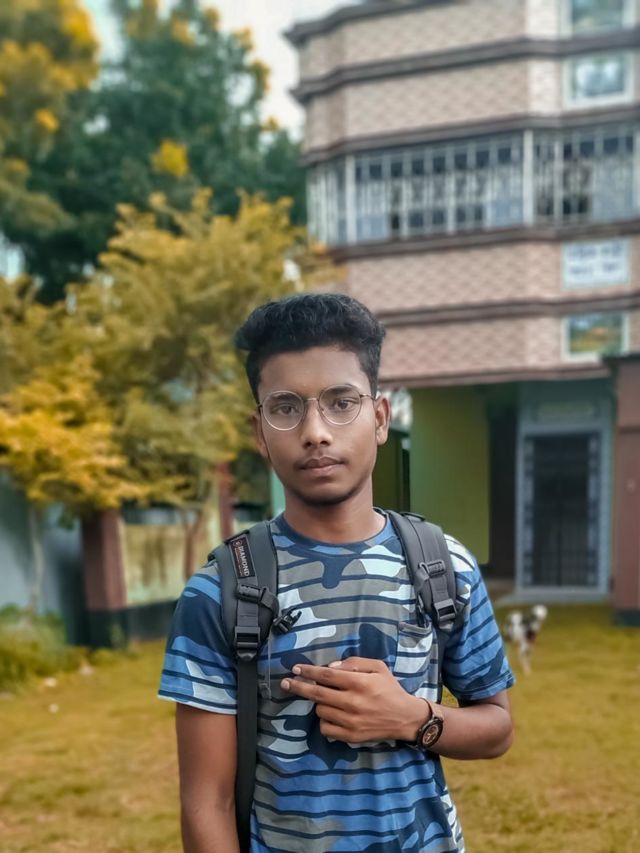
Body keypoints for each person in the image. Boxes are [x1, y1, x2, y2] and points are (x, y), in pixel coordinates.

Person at [158, 292, 515, 853]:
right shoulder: (221, 591)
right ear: (260, 432)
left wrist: (410, 718)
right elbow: (207, 801)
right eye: (285, 407)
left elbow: (496, 727)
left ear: (380, 418)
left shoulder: (445, 566)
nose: (316, 431)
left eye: (341, 402)